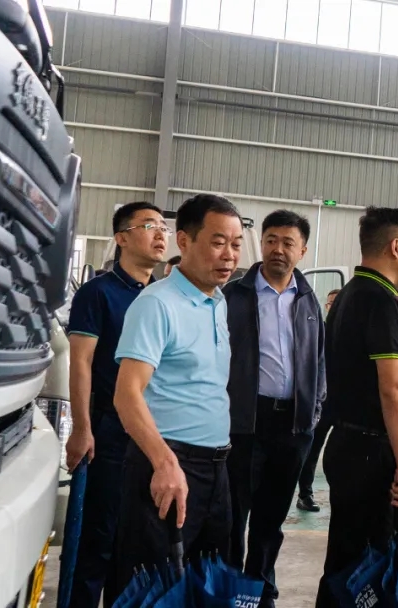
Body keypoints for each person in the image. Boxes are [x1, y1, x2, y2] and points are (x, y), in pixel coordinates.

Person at [111, 194, 243, 591]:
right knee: (151, 589)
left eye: (236, 244)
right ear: (184, 241)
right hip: (168, 464)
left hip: (216, 467)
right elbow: (127, 395)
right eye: (218, 242)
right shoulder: (157, 304)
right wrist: (164, 462)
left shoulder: (218, 301)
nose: (229, 255)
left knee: (208, 585)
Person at [63, 201, 168, 608]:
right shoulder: (98, 293)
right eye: (149, 226)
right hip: (110, 430)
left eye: (163, 227)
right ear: (122, 238)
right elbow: (81, 362)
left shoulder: (162, 296)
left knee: (137, 543)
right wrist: (82, 427)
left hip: (153, 432)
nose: (160, 234)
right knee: (99, 539)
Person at [315, 207, 398, 608]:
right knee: (370, 566)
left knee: (345, 557)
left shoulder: (348, 295)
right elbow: (392, 389)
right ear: (395, 247)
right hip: (371, 454)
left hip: (347, 445)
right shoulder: (380, 301)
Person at [223, 210, 326, 608]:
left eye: (287, 243)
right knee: (234, 515)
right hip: (245, 422)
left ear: (302, 250)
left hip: (293, 426)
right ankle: (231, 588)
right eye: (271, 240)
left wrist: (313, 412)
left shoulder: (308, 300)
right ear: (262, 243)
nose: (277, 249)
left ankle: (261, 588)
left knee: (272, 517)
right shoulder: (235, 296)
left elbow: (319, 361)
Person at [297, 288, 340, 513]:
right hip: (322, 402)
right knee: (312, 449)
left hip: (343, 403)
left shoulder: (352, 331)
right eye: (331, 303)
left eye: (338, 303)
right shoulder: (319, 329)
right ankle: (305, 494)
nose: (334, 307)